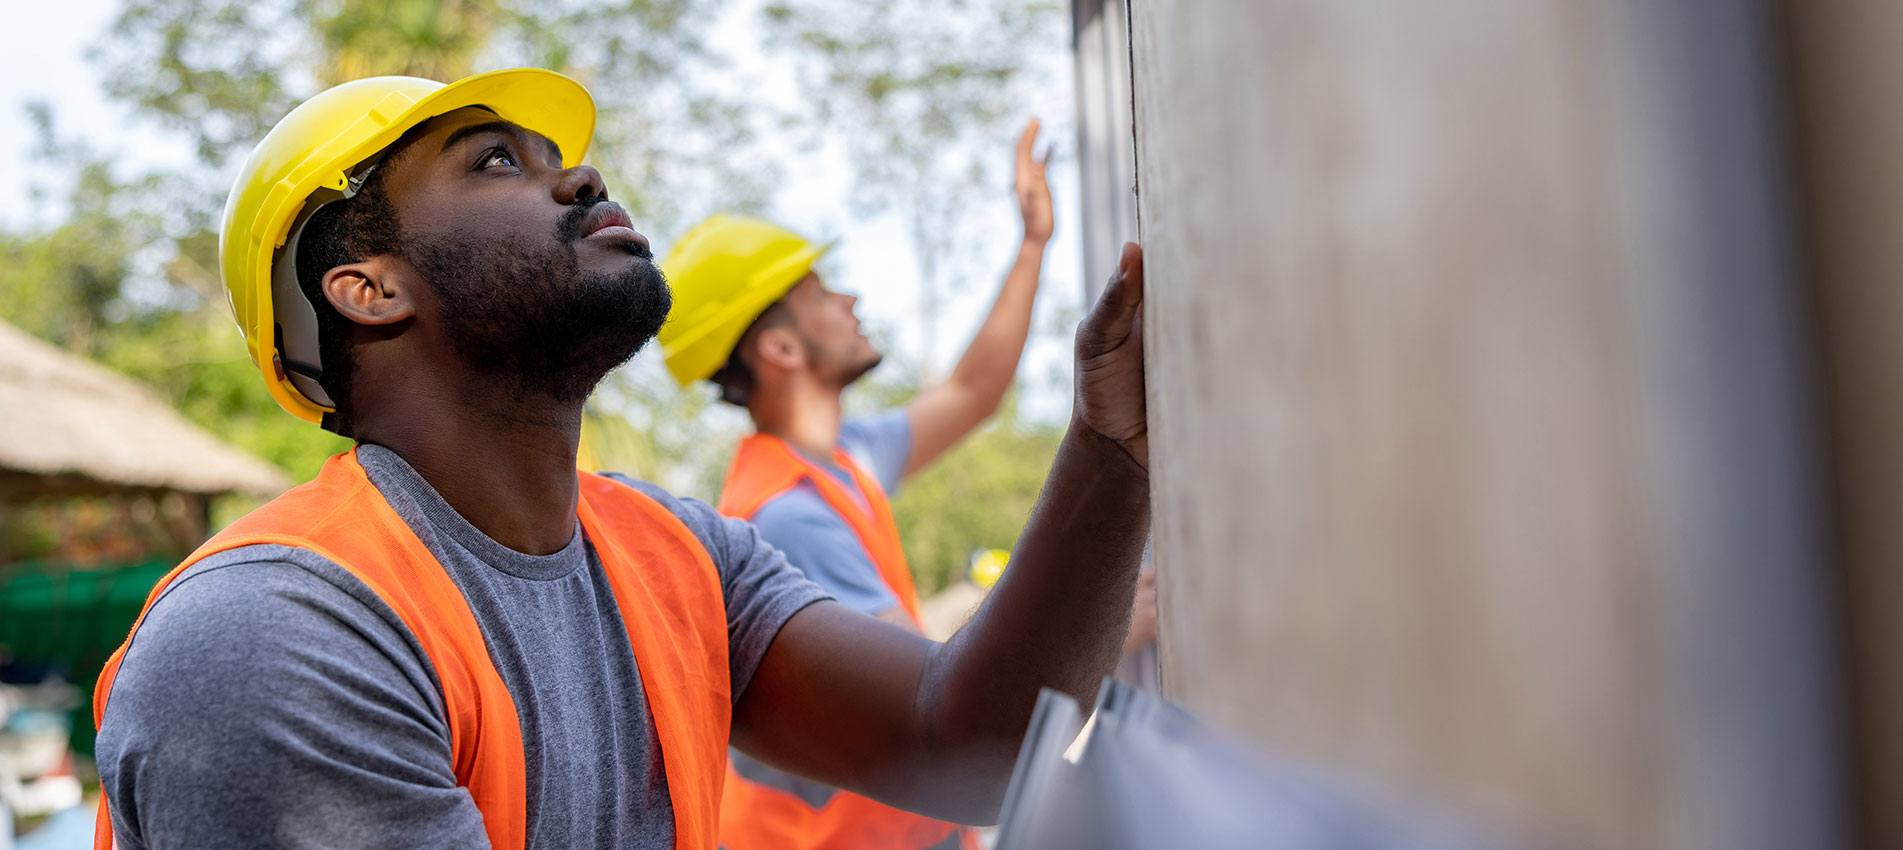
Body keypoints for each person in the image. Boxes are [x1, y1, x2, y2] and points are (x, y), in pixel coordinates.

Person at [88, 69, 1150, 850]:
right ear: (369, 289)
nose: (579, 177)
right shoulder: (282, 635)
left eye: (554, 157)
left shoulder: (676, 556)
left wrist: (1112, 455)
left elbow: (963, 740)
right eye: (498, 162)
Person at [654, 121, 1055, 850]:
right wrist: (1100, 629)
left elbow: (973, 390)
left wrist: (1031, 244)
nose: (849, 299)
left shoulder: (842, 461)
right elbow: (939, 699)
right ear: (778, 346)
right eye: (819, 293)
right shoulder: (791, 516)